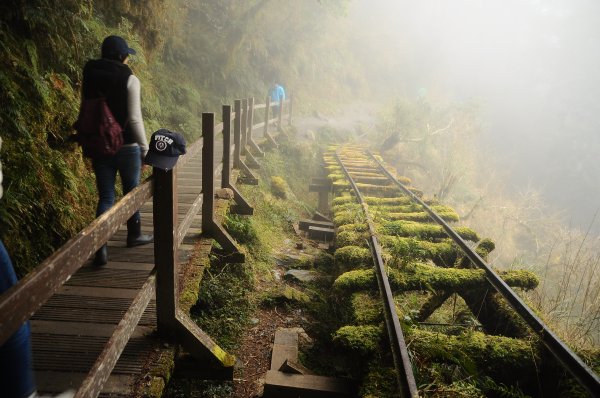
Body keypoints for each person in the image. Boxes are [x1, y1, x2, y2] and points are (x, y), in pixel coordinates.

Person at [81, 35, 153, 266]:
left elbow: (86, 107)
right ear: (122, 56)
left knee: (106, 196)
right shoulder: (130, 78)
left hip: (100, 143)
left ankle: (100, 248)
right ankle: (134, 235)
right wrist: (144, 148)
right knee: (131, 192)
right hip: (127, 146)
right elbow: (134, 118)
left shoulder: (90, 73)